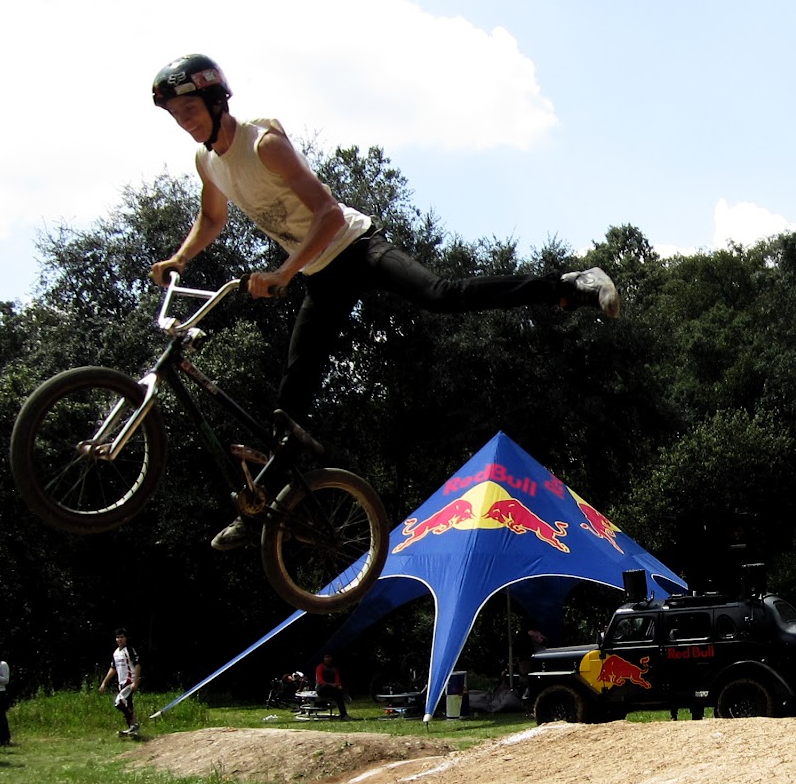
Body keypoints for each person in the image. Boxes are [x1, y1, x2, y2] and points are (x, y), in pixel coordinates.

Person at [147, 54, 621, 551]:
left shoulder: (263, 145)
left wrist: (284, 272)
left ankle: (570, 285)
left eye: (189, 109)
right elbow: (212, 217)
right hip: (321, 276)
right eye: (175, 116)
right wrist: (180, 258)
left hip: (357, 247)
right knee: (291, 404)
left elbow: (328, 215)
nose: (184, 121)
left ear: (217, 99)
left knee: (439, 295)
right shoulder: (208, 162)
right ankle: (257, 507)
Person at [98, 628, 142, 737]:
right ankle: (132, 728)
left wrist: (135, 681)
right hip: (121, 682)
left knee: (119, 701)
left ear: (126, 638)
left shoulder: (129, 650)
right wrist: (104, 683)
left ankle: (134, 723)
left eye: (122, 637)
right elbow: (113, 668)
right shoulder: (116, 653)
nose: (119, 639)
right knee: (127, 704)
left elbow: (137, 665)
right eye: (118, 637)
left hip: (129, 681)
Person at [312, 654, 350, 720]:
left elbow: (337, 681)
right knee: (326, 686)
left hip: (332, 690)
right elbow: (320, 681)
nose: (328, 660)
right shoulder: (320, 667)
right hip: (322, 689)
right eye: (326, 657)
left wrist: (338, 685)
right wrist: (332, 685)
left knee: (338, 696)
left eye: (329, 657)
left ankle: (344, 715)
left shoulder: (335, 669)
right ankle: (343, 694)